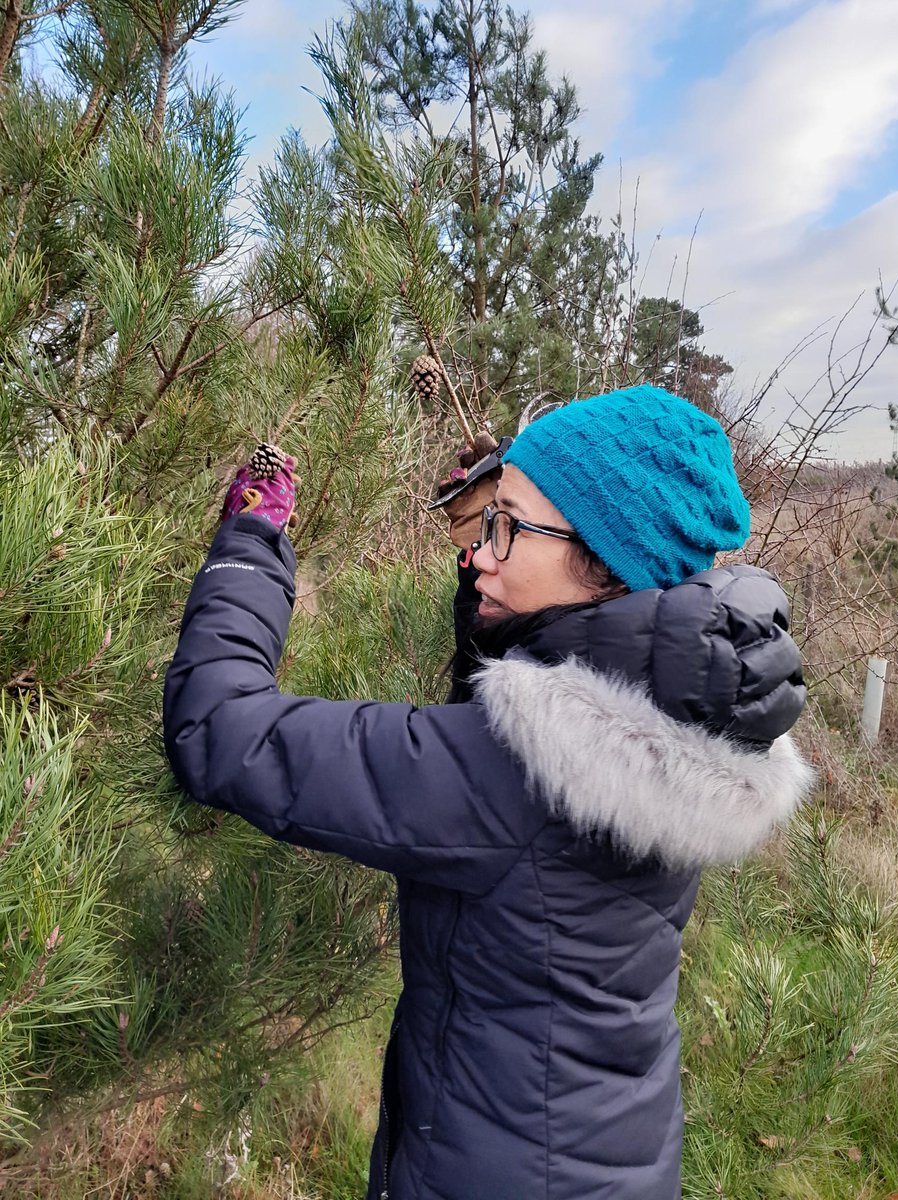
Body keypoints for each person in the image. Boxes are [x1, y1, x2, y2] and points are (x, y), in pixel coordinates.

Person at [163, 384, 813, 1200]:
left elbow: (219, 729)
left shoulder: (505, 775)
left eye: (506, 526)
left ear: (605, 564)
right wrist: (503, 554)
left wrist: (251, 543)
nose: (477, 555)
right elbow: (533, 674)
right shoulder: (678, 717)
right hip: (603, 1151)